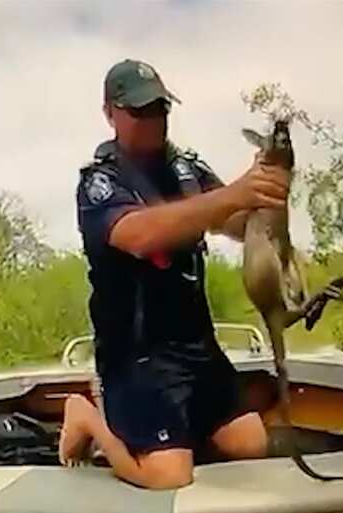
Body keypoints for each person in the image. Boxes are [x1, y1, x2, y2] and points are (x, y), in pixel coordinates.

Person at [57, 58, 294, 490]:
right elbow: (139, 235)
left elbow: (237, 224)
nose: (153, 121)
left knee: (251, 446)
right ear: (110, 112)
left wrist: (267, 194)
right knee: (168, 477)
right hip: (139, 356)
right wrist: (231, 195)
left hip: (198, 348)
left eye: (160, 109)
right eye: (140, 111)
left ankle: (176, 429)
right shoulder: (100, 184)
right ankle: (88, 415)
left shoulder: (190, 170)